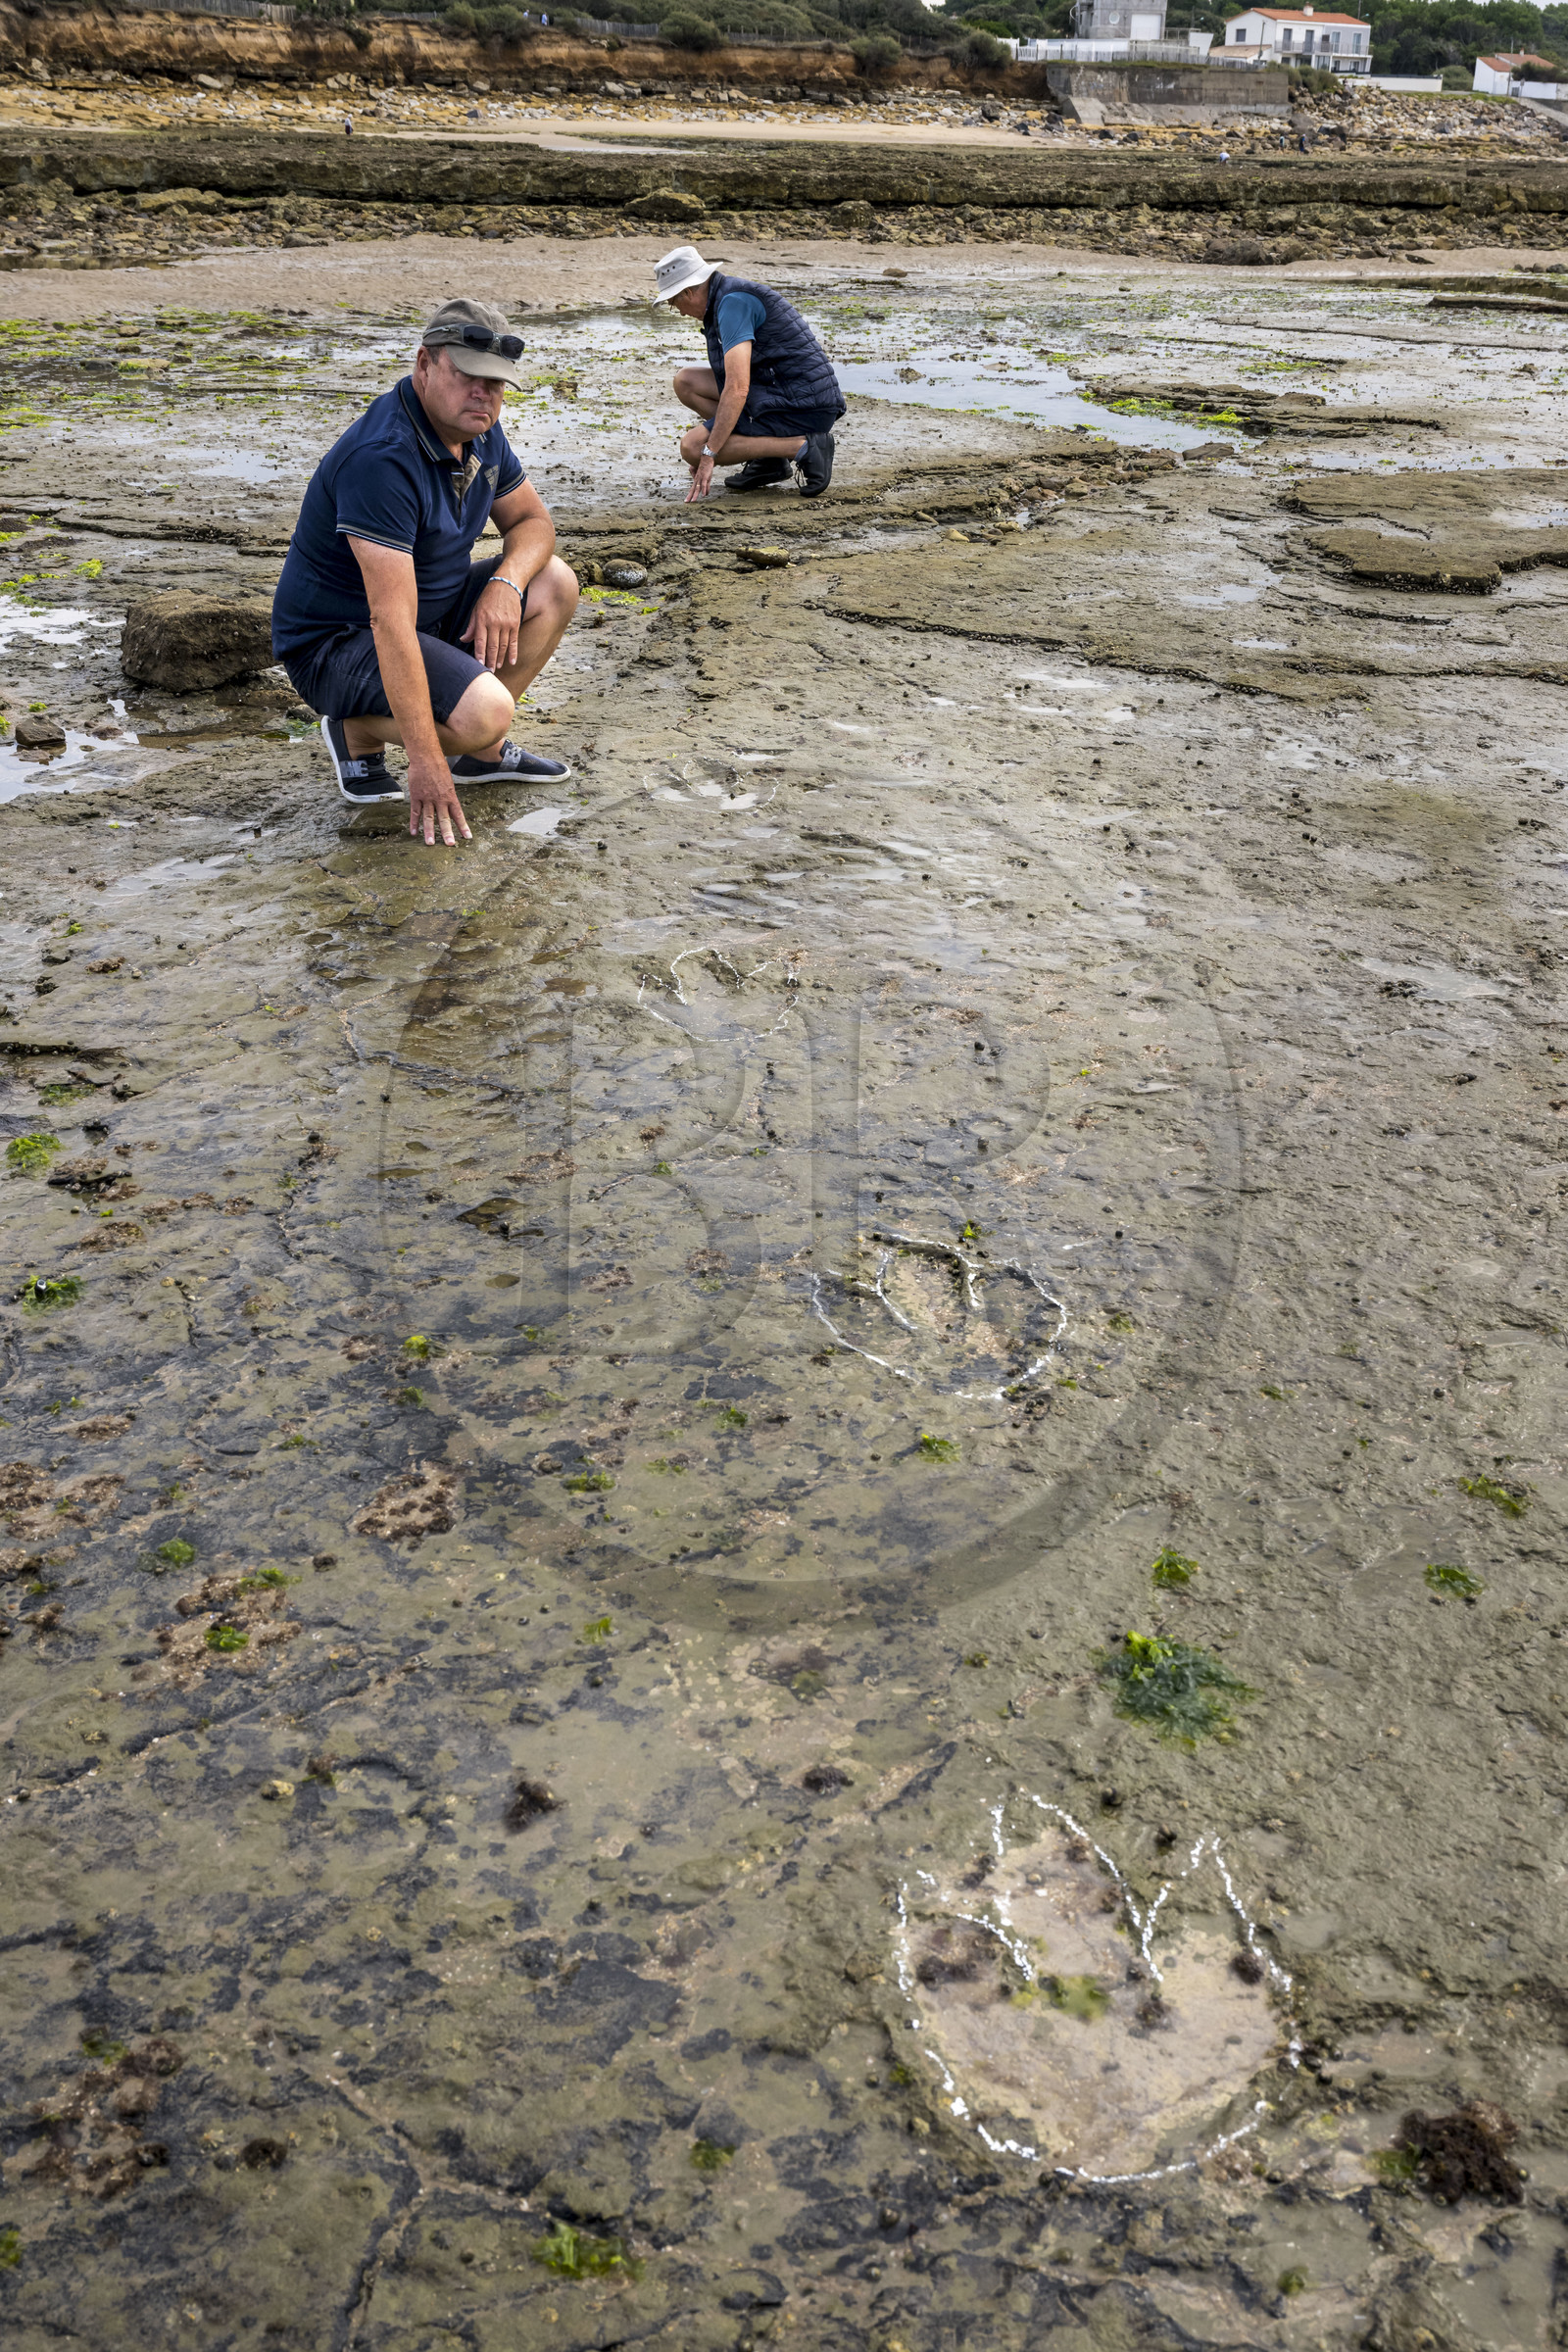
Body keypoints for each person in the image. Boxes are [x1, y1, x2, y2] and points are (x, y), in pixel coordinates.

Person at [270, 297, 578, 848]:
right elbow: (389, 620)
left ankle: (479, 754)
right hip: (338, 641)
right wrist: (425, 761)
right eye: (468, 376)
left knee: (553, 581)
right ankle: (357, 729)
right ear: (425, 364)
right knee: (487, 712)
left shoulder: (480, 429)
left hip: (425, 616)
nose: (484, 394)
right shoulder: (382, 458)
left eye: (497, 383)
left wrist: (506, 584)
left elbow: (533, 522)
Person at [654, 245, 846, 502]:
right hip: (780, 390)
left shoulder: (732, 304)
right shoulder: (725, 297)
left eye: (673, 301)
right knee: (686, 382)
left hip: (803, 406)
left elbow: (737, 388)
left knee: (692, 447)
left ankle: (804, 448)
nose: (677, 310)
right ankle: (768, 461)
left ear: (687, 292)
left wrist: (709, 455)